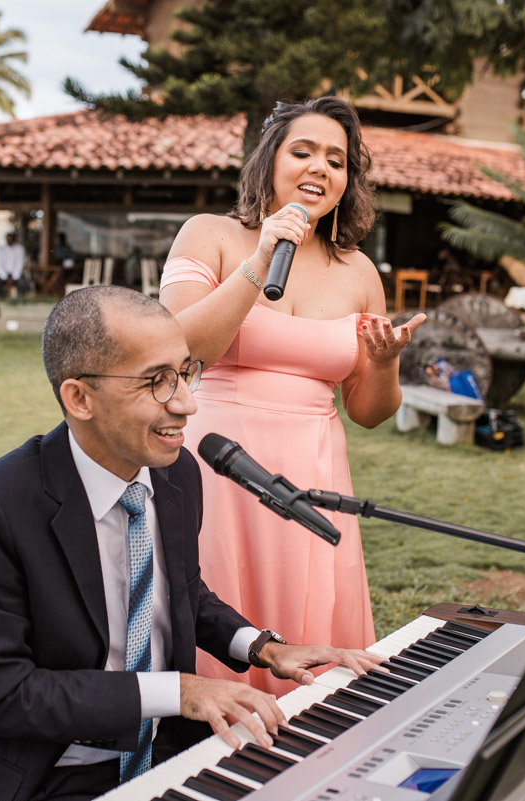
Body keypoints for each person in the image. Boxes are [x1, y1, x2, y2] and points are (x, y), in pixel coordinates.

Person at [0, 286, 382, 801]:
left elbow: (182, 592)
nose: (187, 403)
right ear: (79, 398)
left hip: (163, 752)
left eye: (185, 372)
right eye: (156, 381)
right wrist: (178, 691)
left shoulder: (177, 473)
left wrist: (264, 647)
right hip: (38, 775)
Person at [160, 97, 426, 695]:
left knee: (311, 618)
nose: (319, 167)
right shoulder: (210, 235)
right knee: (216, 598)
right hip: (218, 461)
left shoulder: (360, 271)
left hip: (315, 468)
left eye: (336, 160)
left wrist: (386, 364)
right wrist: (259, 260)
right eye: (302, 151)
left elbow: (368, 412)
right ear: (269, 161)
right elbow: (179, 348)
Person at [0, 231, 28, 299]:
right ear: (6, 239)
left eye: (11, 238)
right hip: (3, 273)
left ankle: (20, 299)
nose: (10, 240)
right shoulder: (0, 249)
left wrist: (14, 277)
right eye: (8, 238)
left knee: (23, 284)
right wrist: (5, 277)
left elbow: (20, 263)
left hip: (16, 274)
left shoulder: (20, 248)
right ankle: (0, 299)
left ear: (14, 239)